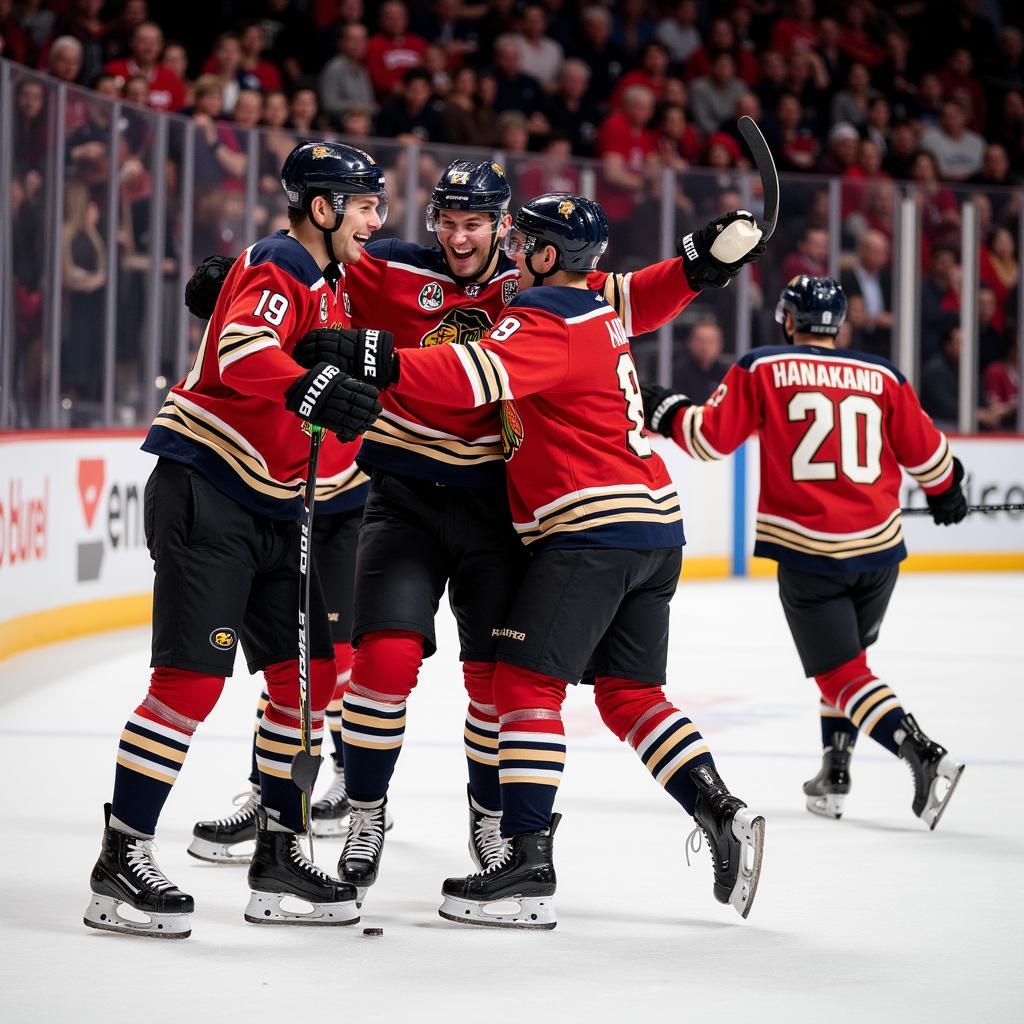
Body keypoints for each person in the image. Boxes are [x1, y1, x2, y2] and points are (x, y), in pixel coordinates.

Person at [182, 161, 766, 910]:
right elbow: (308, 267)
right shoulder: (388, 266)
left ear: (505, 228)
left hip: (503, 511)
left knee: (501, 685)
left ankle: (500, 835)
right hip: (406, 501)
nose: (461, 237)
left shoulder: (533, 289)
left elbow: (618, 303)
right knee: (383, 663)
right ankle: (364, 813)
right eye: (448, 221)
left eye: (479, 224)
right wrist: (234, 277)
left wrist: (690, 267)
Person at [82, 142, 387, 938]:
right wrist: (312, 385)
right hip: (210, 492)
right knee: (189, 684)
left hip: (281, 510)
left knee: (306, 681)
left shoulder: (330, 283)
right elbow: (242, 352)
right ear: (322, 209)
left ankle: (280, 857)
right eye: (363, 206)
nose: (374, 221)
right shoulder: (284, 258)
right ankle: (121, 861)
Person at [641, 277, 967, 830]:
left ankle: (922, 752)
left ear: (787, 319)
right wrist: (948, 493)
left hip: (811, 554)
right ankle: (834, 772)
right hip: (880, 552)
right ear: (839, 324)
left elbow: (709, 439)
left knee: (841, 675)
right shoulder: (884, 374)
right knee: (850, 666)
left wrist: (664, 407)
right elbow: (932, 459)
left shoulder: (763, 366)